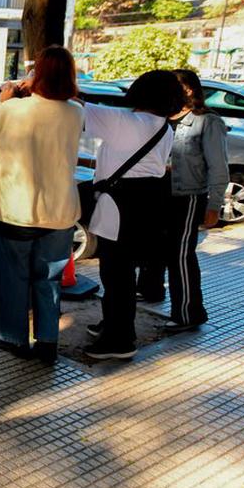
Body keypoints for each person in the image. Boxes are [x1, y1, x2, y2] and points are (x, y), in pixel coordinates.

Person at [0, 46, 83, 365]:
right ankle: (48, 342)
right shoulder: (76, 112)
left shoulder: (13, 110)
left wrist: (4, 100)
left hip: (16, 211)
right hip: (61, 212)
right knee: (49, 280)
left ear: (37, 74)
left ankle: (15, 338)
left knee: (14, 278)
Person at [81, 71, 185, 361]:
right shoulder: (164, 126)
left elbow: (76, 107)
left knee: (116, 275)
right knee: (124, 273)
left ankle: (120, 339)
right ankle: (114, 323)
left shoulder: (126, 121)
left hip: (121, 204)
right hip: (147, 202)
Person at [138, 69, 229, 333]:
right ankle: (150, 290)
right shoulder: (159, 118)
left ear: (188, 89)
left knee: (180, 255)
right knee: (152, 246)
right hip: (158, 192)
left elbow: (218, 167)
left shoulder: (207, 122)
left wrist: (214, 205)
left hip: (187, 195)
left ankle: (189, 313)